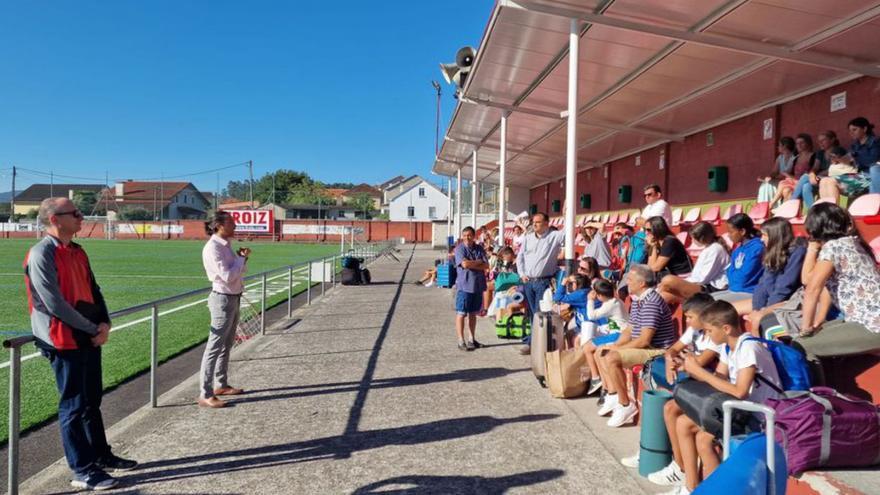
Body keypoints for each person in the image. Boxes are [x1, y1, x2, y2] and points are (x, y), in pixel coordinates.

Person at [24, 198, 137, 491]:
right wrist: (92, 328)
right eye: (74, 213)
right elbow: (53, 304)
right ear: (54, 219)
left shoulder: (77, 250)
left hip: (87, 335)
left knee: (91, 401)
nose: (81, 216)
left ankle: (100, 455)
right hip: (62, 339)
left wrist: (105, 323)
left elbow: (93, 289)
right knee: (73, 406)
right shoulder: (41, 253)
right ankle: (82, 470)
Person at [672, 300, 782, 495]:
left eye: (709, 331)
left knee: (704, 439)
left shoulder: (749, 348)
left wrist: (700, 371)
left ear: (726, 328)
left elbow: (739, 391)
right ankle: (691, 487)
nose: (707, 335)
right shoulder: (727, 347)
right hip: (741, 409)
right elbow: (719, 379)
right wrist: (690, 368)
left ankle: (717, 490)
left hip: (761, 417)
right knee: (682, 422)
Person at [635, 294, 722, 487]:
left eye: (690, 317)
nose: (687, 321)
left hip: (707, 387)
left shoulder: (714, 337)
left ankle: (683, 472)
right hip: (695, 382)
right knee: (668, 408)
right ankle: (678, 465)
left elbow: (699, 363)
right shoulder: (695, 331)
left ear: (705, 315)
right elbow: (673, 350)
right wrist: (669, 361)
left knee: (674, 411)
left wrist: (684, 360)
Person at [796, 203, 880, 383]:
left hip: (872, 325)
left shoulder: (833, 247)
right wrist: (818, 320)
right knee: (819, 333)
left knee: (801, 345)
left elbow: (810, 286)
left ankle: (819, 399)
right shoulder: (853, 243)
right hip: (868, 321)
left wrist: (805, 328)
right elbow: (829, 287)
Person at [595, 264, 677, 428]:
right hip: (646, 346)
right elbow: (629, 330)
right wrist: (615, 344)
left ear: (642, 284)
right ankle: (613, 394)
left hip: (656, 350)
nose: (627, 282)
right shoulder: (640, 300)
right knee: (601, 350)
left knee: (612, 357)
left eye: (630, 280)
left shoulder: (652, 302)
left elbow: (644, 340)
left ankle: (626, 405)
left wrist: (616, 350)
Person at [200, 211, 250, 408]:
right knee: (214, 347)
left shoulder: (226, 246)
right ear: (219, 225)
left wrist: (241, 260)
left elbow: (237, 274)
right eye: (231, 222)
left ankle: (221, 384)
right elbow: (228, 276)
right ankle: (205, 393)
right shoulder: (213, 248)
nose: (235, 225)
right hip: (222, 299)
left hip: (233, 297)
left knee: (227, 344)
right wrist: (241, 260)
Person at [741, 217, 807, 327]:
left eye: (764, 235)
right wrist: (757, 308)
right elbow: (762, 284)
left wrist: (765, 311)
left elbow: (785, 287)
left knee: (757, 322)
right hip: (772, 300)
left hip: (788, 302)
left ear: (775, 236)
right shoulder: (773, 253)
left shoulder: (797, 252)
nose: (761, 239)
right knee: (726, 311)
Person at [515, 212, 565, 354]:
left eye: (538, 222)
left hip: (543, 281)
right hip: (528, 281)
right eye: (533, 222)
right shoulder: (528, 238)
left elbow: (568, 231)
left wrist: (566, 212)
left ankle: (536, 344)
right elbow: (520, 257)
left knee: (539, 313)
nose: (534, 225)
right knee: (531, 313)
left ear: (546, 224)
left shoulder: (553, 237)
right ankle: (532, 342)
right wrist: (522, 274)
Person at [658, 221, 730, 304]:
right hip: (701, 284)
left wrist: (682, 283)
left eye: (692, 238)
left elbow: (703, 278)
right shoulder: (708, 249)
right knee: (664, 296)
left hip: (712, 288)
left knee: (668, 280)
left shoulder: (716, 250)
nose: (691, 240)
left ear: (702, 238)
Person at [582, 279, 629, 394]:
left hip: (618, 335)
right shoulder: (615, 301)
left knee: (587, 347)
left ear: (600, 295)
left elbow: (591, 315)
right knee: (594, 348)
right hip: (617, 332)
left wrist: (590, 300)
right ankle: (603, 385)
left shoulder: (610, 304)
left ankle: (595, 378)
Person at [710, 213, 764, 304]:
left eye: (731, 232)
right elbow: (729, 272)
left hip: (749, 292)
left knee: (710, 305)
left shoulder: (757, 248)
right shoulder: (737, 249)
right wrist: (733, 274)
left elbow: (743, 278)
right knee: (702, 300)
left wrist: (733, 274)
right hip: (734, 289)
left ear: (742, 231)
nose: (728, 235)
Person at [454, 226, 490, 351]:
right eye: (464, 235)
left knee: (473, 314)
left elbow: (486, 265)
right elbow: (464, 264)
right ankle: (460, 340)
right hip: (464, 286)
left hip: (478, 285)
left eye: (469, 235)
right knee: (461, 313)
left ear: (474, 236)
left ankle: (471, 339)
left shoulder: (479, 248)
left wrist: (472, 263)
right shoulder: (459, 249)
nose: (467, 238)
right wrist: (478, 262)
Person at [791, 132, 836, 209]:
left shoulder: (837, 150)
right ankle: (813, 211)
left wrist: (816, 174)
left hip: (830, 179)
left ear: (832, 140)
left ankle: (791, 203)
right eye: (819, 141)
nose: (821, 143)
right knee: (806, 186)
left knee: (805, 176)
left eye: (823, 140)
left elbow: (833, 169)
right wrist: (812, 174)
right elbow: (815, 167)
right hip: (819, 178)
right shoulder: (820, 153)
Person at [846, 116, 880, 194]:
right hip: (861, 175)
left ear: (864, 129)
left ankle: (875, 203)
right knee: (830, 181)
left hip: (874, 174)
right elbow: (851, 161)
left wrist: (855, 157)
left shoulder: (876, 141)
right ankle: (830, 206)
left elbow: (872, 161)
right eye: (850, 131)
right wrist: (840, 160)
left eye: (854, 129)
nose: (851, 133)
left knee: (873, 171)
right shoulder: (854, 145)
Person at [759, 136, 796, 205]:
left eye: (779, 145)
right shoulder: (780, 157)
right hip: (778, 179)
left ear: (785, 146)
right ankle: (764, 205)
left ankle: (772, 206)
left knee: (769, 185)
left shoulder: (793, 158)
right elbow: (774, 171)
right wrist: (769, 177)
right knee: (764, 185)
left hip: (787, 180)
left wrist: (774, 178)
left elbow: (787, 173)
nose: (778, 147)